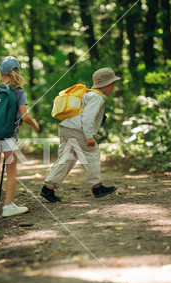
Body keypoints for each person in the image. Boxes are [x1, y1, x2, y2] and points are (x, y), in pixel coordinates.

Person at [41, 67, 120, 202]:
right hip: (77, 130)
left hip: (66, 127)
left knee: (67, 159)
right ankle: (97, 187)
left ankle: (48, 189)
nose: (113, 87)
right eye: (112, 83)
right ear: (105, 84)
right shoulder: (97, 97)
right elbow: (87, 118)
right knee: (92, 152)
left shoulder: (88, 94)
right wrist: (89, 136)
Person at [0, 56, 39, 220]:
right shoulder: (18, 91)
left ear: (1, 73)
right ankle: (8, 206)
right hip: (9, 137)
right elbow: (24, 116)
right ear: (16, 71)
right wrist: (34, 124)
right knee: (11, 171)